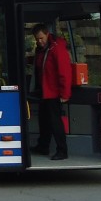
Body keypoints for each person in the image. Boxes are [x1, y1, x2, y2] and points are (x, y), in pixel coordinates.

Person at [30, 23, 72, 160]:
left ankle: (62, 150)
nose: (39, 41)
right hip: (45, 91)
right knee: (44, 120)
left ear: (47, 34)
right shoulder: (43, 49)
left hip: (53, 92)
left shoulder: (56, 49)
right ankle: (43, 146)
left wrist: (65, 94)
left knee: (55, 122)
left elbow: (64, 72)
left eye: (41, 38)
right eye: (37, 39)